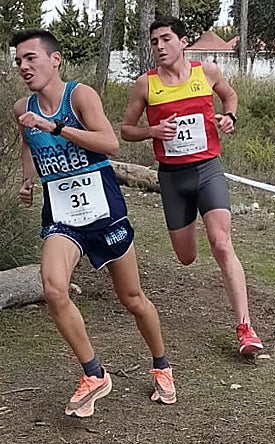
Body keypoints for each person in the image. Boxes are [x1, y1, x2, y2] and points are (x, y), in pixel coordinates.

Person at [12, 28, 175, 417]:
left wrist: (56, 127)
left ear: (55, 59)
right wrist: (26, 180)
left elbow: (110, 142)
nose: (23, 66)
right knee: (53, 288)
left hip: (103, 209)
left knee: (132, 299)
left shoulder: (80, 96)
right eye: (18, 60)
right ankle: (94, 373)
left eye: (30, 57)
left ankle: (162, 365)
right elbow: (26, 142)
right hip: (62, 215)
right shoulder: (23, 107)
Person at [120, 14, 265, 358]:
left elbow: (230, 98)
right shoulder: (146, 84)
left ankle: (245, 328)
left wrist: (230, 117)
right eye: (154, 41)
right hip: (172, 178)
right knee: (186, 257)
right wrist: (151, 132)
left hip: (207, 170)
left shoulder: (207, 72)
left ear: (183, 42)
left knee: (221, 242)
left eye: (166, 39)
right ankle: (194, 222)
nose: (159, 46)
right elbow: (126, 129)